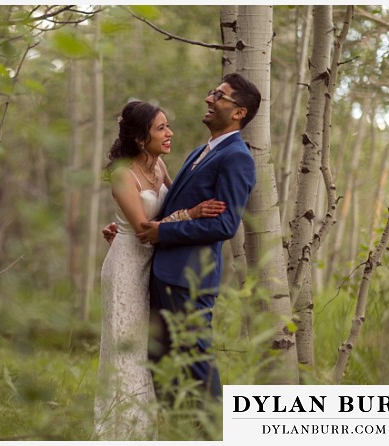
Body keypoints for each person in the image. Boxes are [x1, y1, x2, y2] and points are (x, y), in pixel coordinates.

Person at [118, 73, 260, 402]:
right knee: (164, 367)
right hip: (163, 272)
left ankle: (215, 433)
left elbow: (225, 225)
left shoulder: (236, 157)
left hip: (189, 279)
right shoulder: (201, 151)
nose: (209, 99)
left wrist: (163, 231)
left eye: (220, 96)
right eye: (213, 93)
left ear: (239, 112)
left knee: (196, 364)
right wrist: (129, 226)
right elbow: (172, 204)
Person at [95, 101, 226, 440]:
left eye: (168, 126)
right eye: (161, 128)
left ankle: (153, 428)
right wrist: (193, 214)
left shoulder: (160, 166)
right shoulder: (122, 173)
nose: (170, 134)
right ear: (141, 138)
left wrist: (191, 211)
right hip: (126, 265)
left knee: (149, 348)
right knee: (128, 348)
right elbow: (142, 227)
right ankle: (123, 431)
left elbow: (171, 206)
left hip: (154, 263)